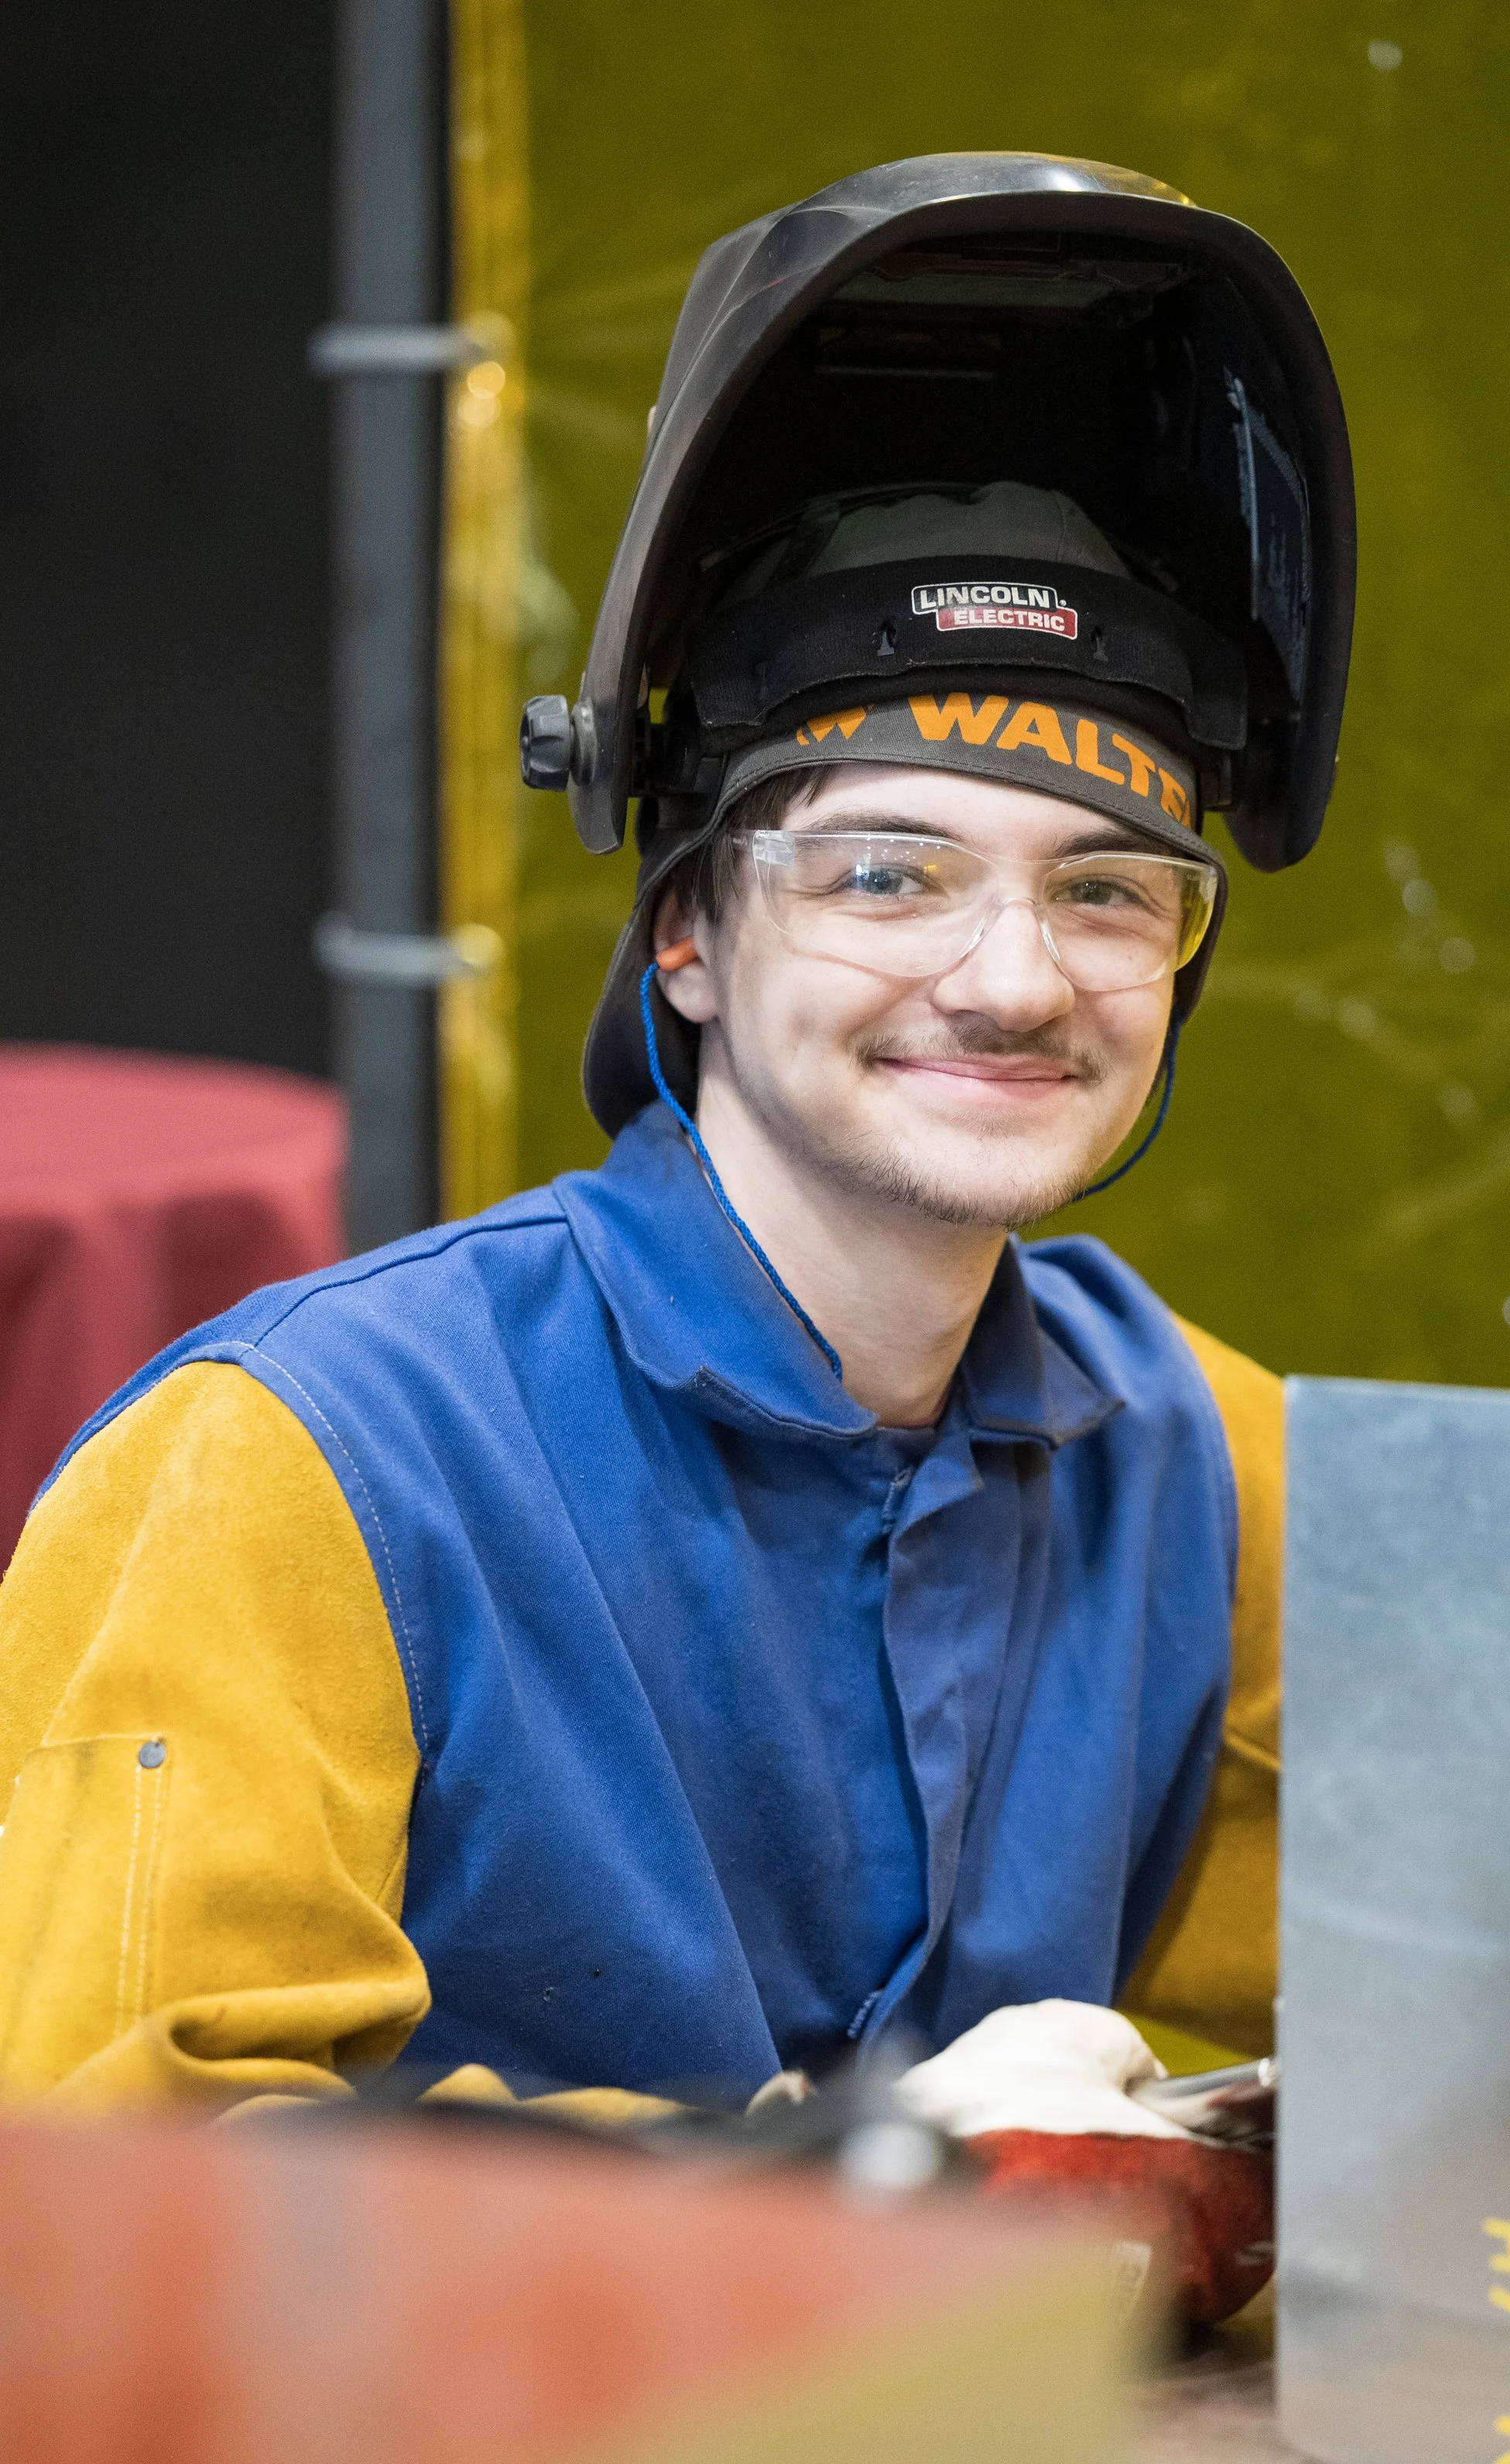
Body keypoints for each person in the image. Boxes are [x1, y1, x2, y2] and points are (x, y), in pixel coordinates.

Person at [0, 156, 1352, 2314]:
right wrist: (859, 2189)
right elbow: (108, 2214)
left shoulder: (1173, 1445)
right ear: (696, 938)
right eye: (890, 874)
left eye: (1109, 889)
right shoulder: (296, 1468)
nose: (1016, 978)